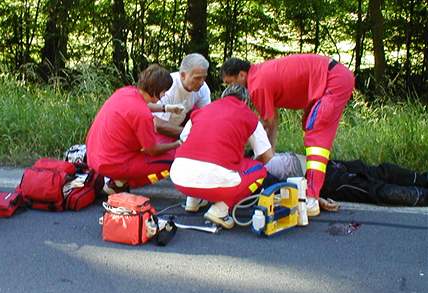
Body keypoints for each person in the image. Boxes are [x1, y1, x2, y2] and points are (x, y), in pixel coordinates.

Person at [220, 54, 355, 216]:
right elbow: (271, 122)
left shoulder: (256, 86)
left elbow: (269, 124)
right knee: (310, 126)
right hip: (334, 76)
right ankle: (314, 189)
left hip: (333, 79)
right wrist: (269, 155)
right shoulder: (259, 75)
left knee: (317, 136)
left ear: (242, 75)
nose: (229, 88)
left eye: (230, 82)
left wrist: (266, 159)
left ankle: (311, 198)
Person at [170, 84, 273, 229]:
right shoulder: (249, 116)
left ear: (223, 96)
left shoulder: (202, 110)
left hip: (179, 177)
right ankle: (220, 210)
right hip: (216, 180)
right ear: (245, 101)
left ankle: (193, 201)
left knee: (198, 157)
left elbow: (184, 139)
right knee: (259, 170)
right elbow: (267, 156)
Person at [86, 64, 181, 194]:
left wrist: (166, 108)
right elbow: (152, 150)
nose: (164, 94)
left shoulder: (126, 92)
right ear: (157, 89)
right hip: (112, 163)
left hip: (94, 154)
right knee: (172, 160)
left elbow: (142, 105)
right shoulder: (142, 115)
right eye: (164, 91)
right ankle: (120, 182)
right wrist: (177, 144)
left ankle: (118, 180)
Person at [265, 152, 428, 207]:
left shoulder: (254, 156)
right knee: (374, 187)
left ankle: (422, 184)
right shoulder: (254, 173)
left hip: (323, 167)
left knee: (380, 176)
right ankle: (422, 195)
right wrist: (315, 198)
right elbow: (279, 191)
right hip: (324, 179)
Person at [149, 53, 211, 139]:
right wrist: (190, 133)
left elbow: (206, 116)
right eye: (197, 78)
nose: (201, 82)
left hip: (178, 130)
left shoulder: (203, 88)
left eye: (204, 78)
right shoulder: (167, 87)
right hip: (154, 133)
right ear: (182, 75)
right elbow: (158, 125)